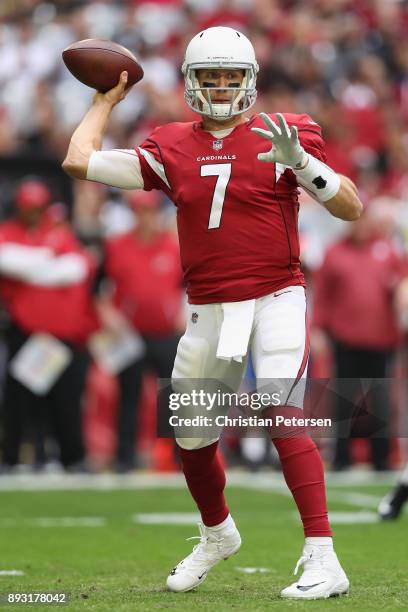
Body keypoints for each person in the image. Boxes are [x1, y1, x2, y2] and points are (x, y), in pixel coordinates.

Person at [62, 27, 362, 599]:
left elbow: (350, 207)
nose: (221, 88)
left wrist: (303, 165)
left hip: (276, 294)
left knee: (283, 409)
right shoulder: (171, 142)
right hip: (208, 306)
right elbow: (80, 162)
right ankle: (217, 533)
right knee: (192, 436)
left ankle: (324, 557)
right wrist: (102, 103)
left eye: (230, 77)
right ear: (191, 83)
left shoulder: (288, 131)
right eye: (208, 77)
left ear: (249, 81)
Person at [0, 178, 97, 471]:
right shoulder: (10, 232)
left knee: (65, 400)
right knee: (19, 401)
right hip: (26, 331)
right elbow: (7, 261)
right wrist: (46, 261)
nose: (33, 213)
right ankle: (12, 459)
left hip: (61, 335)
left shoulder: (58, 234)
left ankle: (72, 459)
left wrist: (34, 269)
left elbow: (76, 269)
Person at [312, 198, 407, 471]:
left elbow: (401, 283)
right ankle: (341, 458)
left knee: (381, 401)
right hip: (346, 339)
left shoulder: (387, 251)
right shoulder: (334, 253)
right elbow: (323, 297)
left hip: (381, 340)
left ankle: (381, 458)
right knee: (344, 400)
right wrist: (318, 330)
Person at [96, 190, 183, 472]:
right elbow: (97, 289)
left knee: (174, 393)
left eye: (150, 212)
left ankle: (179, 456)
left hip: (166, 332)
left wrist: (184, 313)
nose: (145, 218)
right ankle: (125, 456)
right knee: (128, 395)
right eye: (140, 212)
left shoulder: (173, 247)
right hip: (129, 334)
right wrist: (109, 315)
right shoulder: (116, 246)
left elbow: (189, 287)